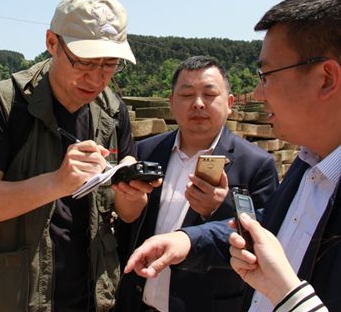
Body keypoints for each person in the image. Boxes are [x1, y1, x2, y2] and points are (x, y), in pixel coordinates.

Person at [124, 0, 341, 311]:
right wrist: (188, 239)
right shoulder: (307, 166)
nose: (258, 92)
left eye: (267, 75)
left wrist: (287, 293)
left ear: (325, 79)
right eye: (186, 95)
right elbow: (269, 226)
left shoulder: (261, 163)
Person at [0, 0, 152, 312]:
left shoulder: (112, 111)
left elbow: (129, 214)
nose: (96, 78)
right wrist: (57, 183)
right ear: (52, 43)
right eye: (84, 63)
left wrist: (132, 192)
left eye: (110, 65)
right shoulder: (6, 102)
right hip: (16, 298)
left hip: (92, 297)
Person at [114, 56, 278, 312]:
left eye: (210, 94)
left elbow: (266, 242)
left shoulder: (257, 165)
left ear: (230, 103)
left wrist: (220, 207)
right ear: (171, 102)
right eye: (187, 94)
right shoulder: (146, 151)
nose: (198, 104)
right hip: (138, 301)